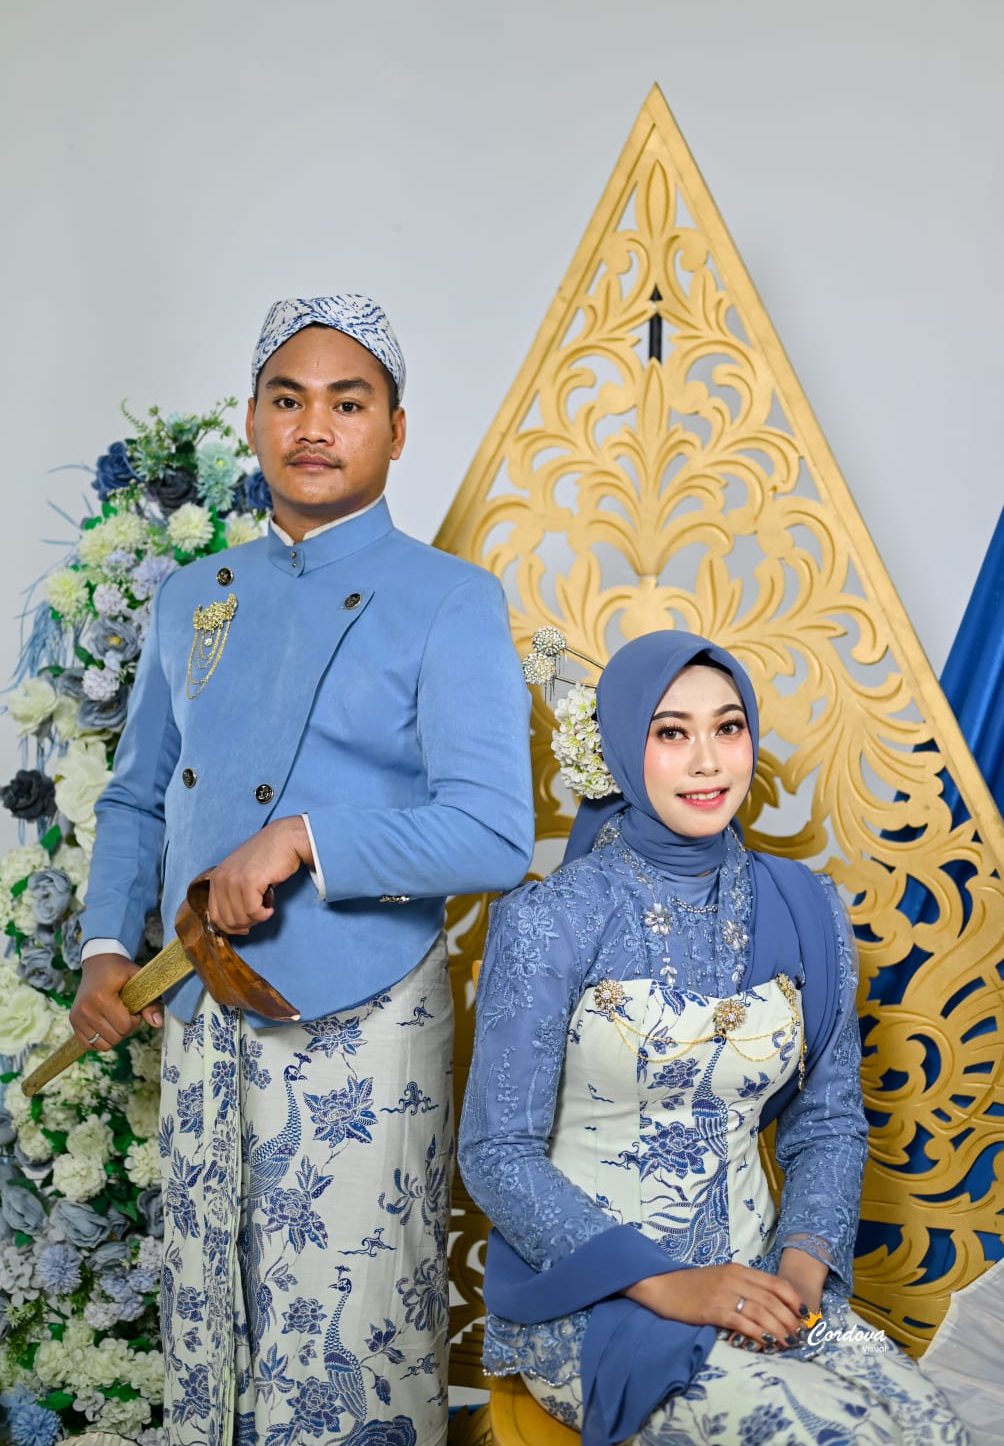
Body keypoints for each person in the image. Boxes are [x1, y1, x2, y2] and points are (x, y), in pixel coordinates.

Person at [70, 294, 535, 1446]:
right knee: (207, 1322)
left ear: (396, 429)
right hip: (199, 1006)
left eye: (347, 402)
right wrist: (107, 946)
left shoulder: (449, 598)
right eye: (288, 399)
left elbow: (492, 831)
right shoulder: (193, 595)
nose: (313, 426)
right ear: (252, 419)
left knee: (345, 1345)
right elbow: (136, 794)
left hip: (361, 1019)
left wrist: (306, 839)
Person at [459, 630, 969, 1446]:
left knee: (932, 1429)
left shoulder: (806, 905)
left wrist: (798, 1275)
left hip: (765, 1284)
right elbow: (496, 1154)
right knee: (833, 1435)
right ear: (621, 748)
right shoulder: (553, 918)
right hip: (597, 1302)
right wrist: (667, 1284)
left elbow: (828, 1121)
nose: (707, 762)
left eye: (728, 728)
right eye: (671, 732)